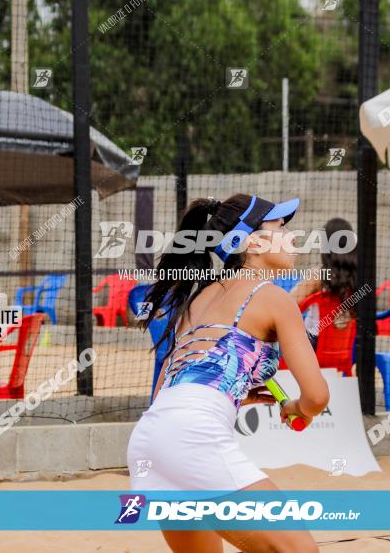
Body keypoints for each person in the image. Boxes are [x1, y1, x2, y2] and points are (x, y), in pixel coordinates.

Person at [128, 194, 329, 553]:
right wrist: (298, 407)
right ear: (251, 242)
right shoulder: (274, 298)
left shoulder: (197, 300)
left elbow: (171, 385)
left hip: (149, 439)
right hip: (192, 436)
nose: (293, 236)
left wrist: (232, 392)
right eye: (281, 227)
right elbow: (317, 397)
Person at [290, 218, 357, 347]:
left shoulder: (318, 275)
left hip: (312, 345)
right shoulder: (357, 276)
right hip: (345, 346)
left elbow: (290, 302)